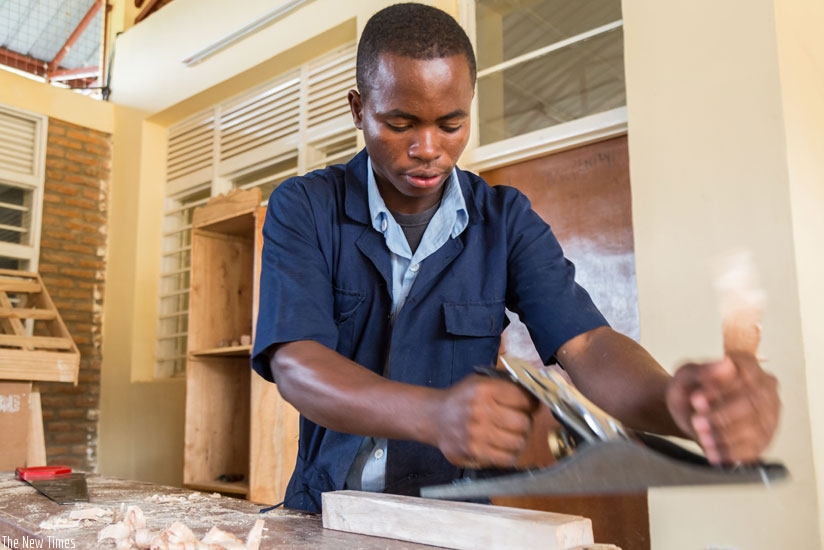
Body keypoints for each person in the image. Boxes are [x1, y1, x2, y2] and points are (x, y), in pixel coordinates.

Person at [252, 2, 780, 513]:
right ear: (358, 109)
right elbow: (296, 361)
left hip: (457, 520)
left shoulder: (504, 221)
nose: (429, 147)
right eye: (401, 124)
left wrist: (679, 405)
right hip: (325, 512)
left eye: (452, 123)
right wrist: (433, 414)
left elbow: (589, 342)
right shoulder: (304, 207)